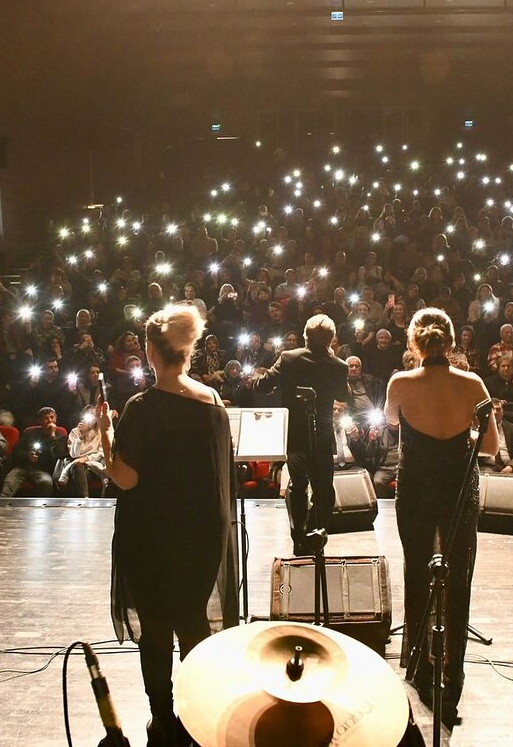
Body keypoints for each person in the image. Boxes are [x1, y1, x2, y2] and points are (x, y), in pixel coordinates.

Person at [96, 304, 238, 744]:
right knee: (193, 623)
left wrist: (104, 434)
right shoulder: (213, 401)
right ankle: (198, 718)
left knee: (156, 630)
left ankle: (163, 721)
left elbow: (125, 477)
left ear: (151, 353)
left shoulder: (143, 406)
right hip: (202, 534)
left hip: (153, 537)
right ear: (189, 351)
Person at [384, 307, 498, 727]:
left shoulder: (400, 382)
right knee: (457, 581)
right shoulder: (472, 383)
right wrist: (463, 431)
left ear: (413, 343)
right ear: (452, 342)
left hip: (414, 488)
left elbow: (390, 420)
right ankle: (453, 678)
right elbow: (489, 447)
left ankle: (417, 667)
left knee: (417, 572)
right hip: (457, 490)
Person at [252, 313, 348, 554]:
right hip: (322, 434)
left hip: (294, 433)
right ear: (331, 339)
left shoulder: (288, 358)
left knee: (297, 484)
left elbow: (263, 385)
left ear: (305, 336)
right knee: (324, 487)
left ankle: (298, 538)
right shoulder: (339, 366)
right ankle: (317, 532)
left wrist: (254, 379)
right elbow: (344, 395)